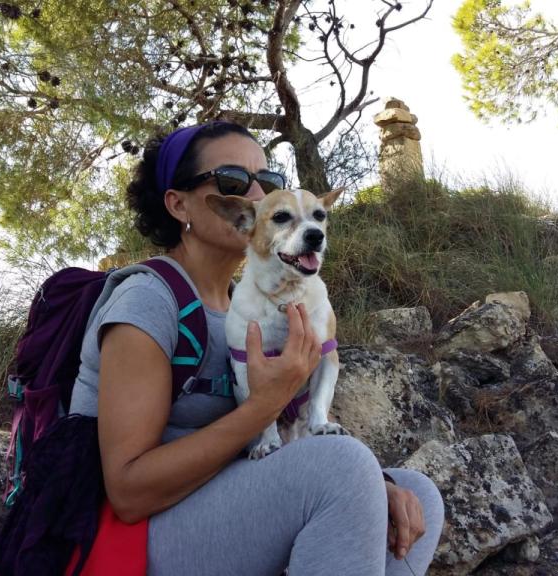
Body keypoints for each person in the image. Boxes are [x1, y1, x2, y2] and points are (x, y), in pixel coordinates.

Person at [67, 121, 444, 576]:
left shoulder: (243, 304)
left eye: (267, 180)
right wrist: (265, 405)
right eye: (231, 180)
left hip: (222, 494)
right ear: (179, 204)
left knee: (415, 495)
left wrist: (372, 483)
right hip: (132, 536)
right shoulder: (148, 301)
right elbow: (128, 493)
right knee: (343, 468)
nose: (256, 193)